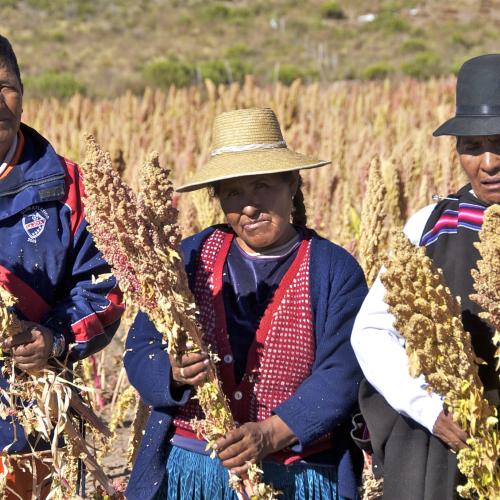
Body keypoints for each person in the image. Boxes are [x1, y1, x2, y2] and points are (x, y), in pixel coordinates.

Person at [124, 107, 367, 500]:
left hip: (297, 472)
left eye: (262, 186)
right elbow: (140, 346)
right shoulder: (188, 258)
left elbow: (343, 372)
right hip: (192, 468)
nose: (249, 206)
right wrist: (170, 372)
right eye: (234, 192)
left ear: (293, 184)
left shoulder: (333, 269)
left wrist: (272, 432)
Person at [351, 54, 500, 500]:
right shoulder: (430, 226)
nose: (489, 162)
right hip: (448, 432)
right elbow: (372, 332)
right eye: (473, 146)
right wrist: (430, 409)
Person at [0, 35, 124, 497]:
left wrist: (53, 337)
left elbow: (105, 290)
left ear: (23, 93)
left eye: (6, 86)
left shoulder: (67, 188)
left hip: (30, 427)